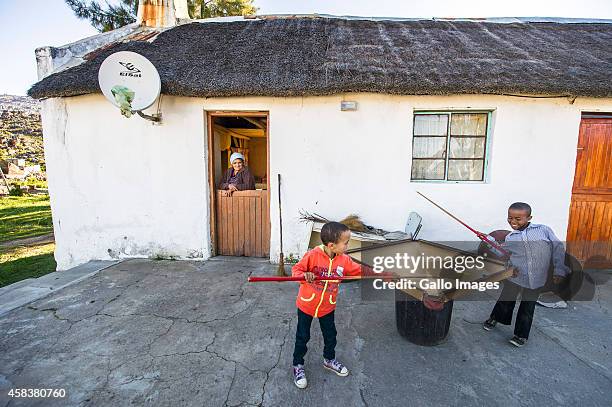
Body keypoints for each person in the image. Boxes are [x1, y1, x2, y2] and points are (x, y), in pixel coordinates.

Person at [483, 202, 570, 347]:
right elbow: (503, 253)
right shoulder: (511, 237)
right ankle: (495, 318)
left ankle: (521, 335)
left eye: (518, 219)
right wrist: (489, 242)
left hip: (537, 279)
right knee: (506, 300)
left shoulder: (544, 230)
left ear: (529, 217)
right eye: (510, 218)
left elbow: (558, 248)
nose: (513, 222)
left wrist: (559, 269)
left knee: (527, 307)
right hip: (515, 275)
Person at [290, 221, 362, 389]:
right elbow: (296, 270)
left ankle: (329, 360)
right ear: (332, 245)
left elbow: (359, 270)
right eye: (346, 242)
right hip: (307, 305)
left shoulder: (344, 260)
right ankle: (297, 365)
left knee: (331, 336)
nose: (347, 245)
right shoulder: (312, 255)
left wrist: (382, 272)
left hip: (327, 306)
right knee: (302, 337)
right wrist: (304, 275)